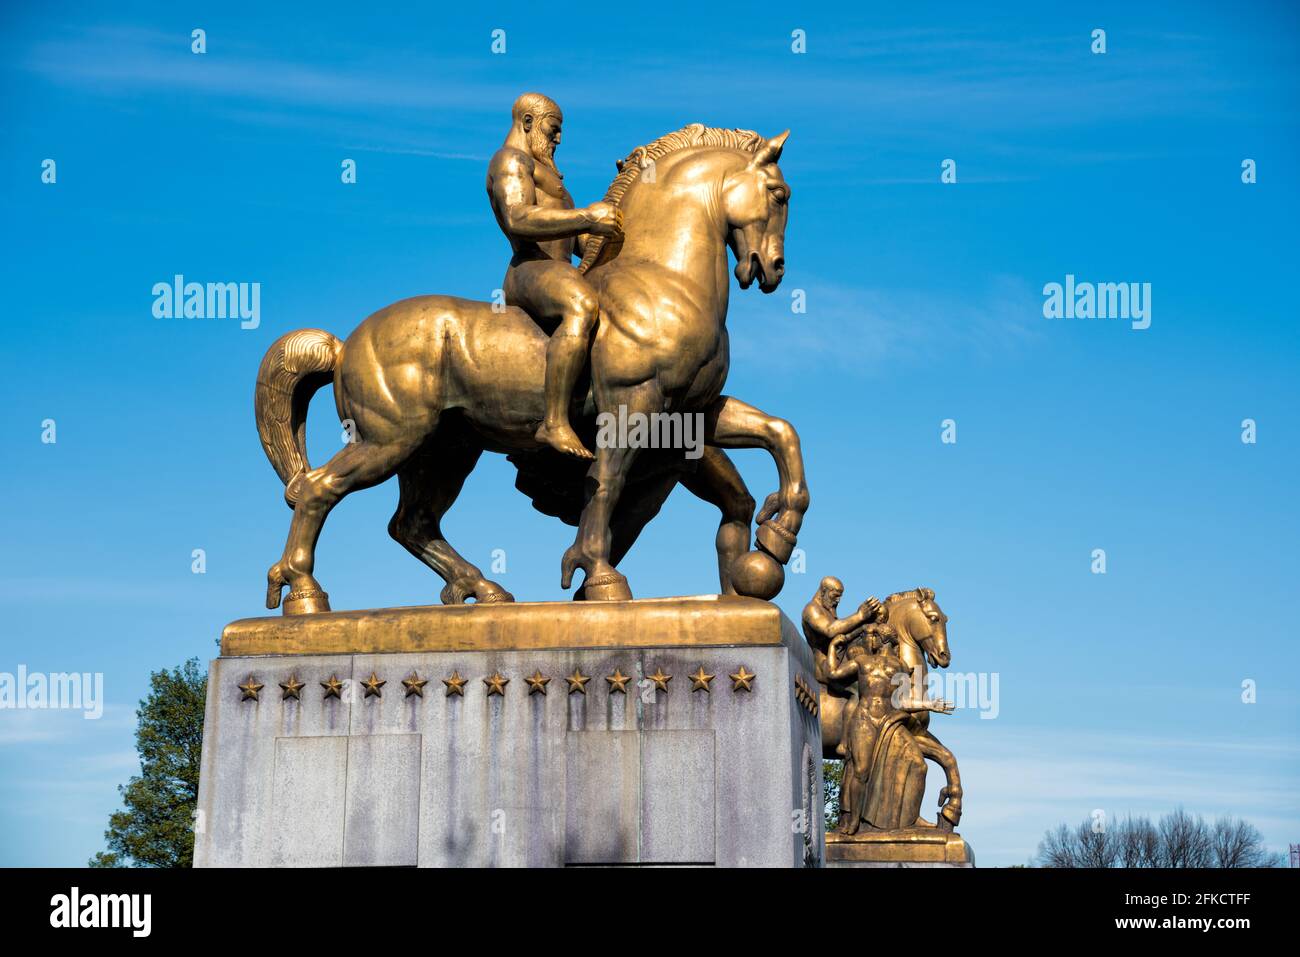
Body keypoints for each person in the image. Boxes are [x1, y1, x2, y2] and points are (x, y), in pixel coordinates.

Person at [486, 92, 624, 459]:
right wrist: (588, 217)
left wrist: (622, 210)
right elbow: (518, 217)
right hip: (529, 269)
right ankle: (555, 421)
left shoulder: (547, 173)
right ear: (528, 122)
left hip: (558, 271)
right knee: (581, 303)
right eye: (553, 129)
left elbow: (579, 241)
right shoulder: (510, 161)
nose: (558, 139)